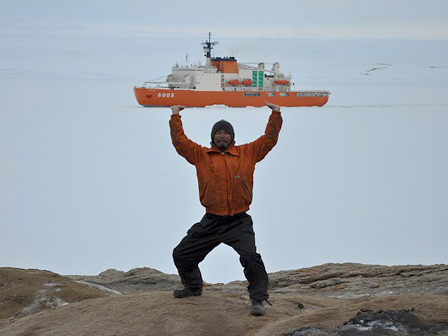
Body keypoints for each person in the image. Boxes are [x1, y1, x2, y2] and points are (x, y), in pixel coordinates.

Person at [169, 102, 282, 316]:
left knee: (250, 257)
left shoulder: (247, 153)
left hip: (239, 221)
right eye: (218, 133)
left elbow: (269, 140)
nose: (222, 136)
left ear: (232, 137)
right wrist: (175, 115)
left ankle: (258, 299)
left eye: (226, 133)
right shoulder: (201, 155)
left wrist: (276, 113)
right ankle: (193, 287)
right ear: (213, 137)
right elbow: (180, 142)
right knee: (182, 254)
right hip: (212, 220)